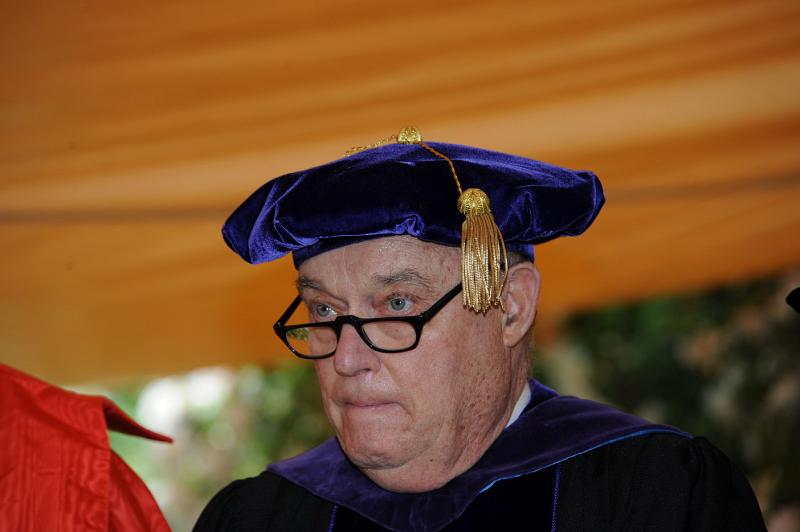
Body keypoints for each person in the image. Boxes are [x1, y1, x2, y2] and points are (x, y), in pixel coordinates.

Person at [194, 128, 766, 531]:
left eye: (396, 303)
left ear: (511, 308)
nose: (346, 358)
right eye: (323, 312)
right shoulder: (258, 518)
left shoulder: (653, 494)